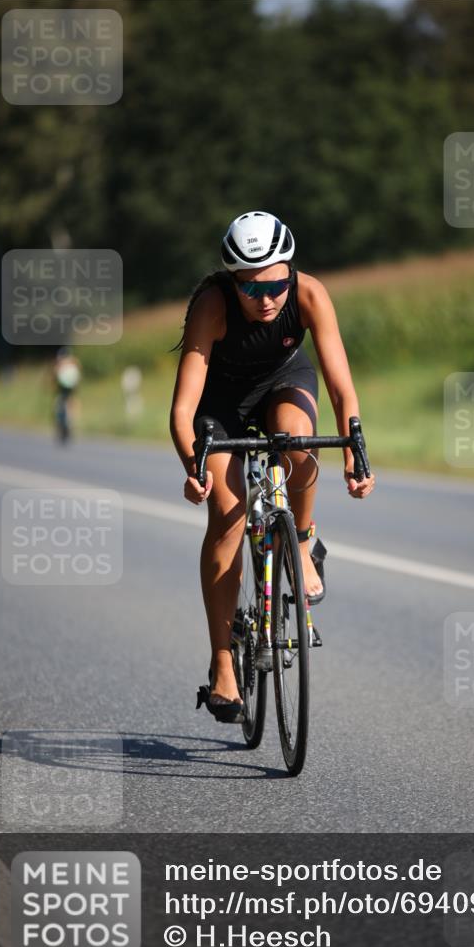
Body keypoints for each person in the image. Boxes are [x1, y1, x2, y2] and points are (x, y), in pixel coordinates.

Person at [170, 211, 375, 722]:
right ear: (232, 280)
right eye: (251, 288)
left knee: (300, 444)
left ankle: (301, 539)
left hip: (284, 380)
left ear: (290, 270)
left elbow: (340, 386)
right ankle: (222, 661)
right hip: (221, 402)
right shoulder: (212, 306)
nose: (266, 298)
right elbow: (182, 409)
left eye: (276, 283)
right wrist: (192, 465)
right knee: (227, 511)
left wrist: (355, 446)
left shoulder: (308, 294)